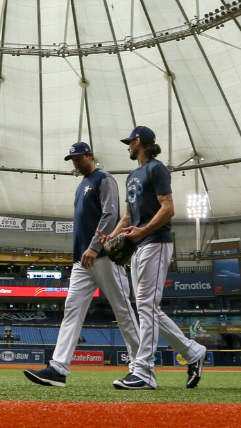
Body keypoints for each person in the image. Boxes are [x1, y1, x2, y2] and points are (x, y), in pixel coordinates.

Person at [24, 142, 141, 387]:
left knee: (123, 312)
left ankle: (141, 367)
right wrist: (81, 252)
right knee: (72, 311)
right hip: (82, 261)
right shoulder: (81, 185)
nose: (75, 163)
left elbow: (110, 215)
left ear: (90, 155)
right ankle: (58, 368)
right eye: (72, 159)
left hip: (103, 258)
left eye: (78, 158)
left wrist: (94, 247)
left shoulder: (104, 179)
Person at [103, 126, 207, 390]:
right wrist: (110, 237)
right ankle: (193, 352)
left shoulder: (156, 168)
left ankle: (144, 372)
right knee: (148, 308)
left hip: (157, 242)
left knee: (147, 306)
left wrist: (144, 231)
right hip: (139, 245)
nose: (128, 146)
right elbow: (127, 216)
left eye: (130, 142)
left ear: (139, 142)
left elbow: (168, 208)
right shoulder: (132, 176)